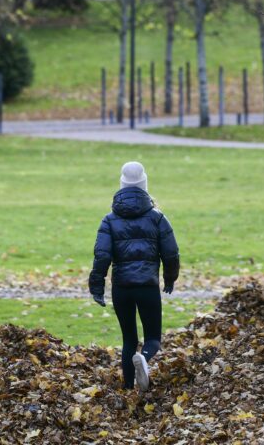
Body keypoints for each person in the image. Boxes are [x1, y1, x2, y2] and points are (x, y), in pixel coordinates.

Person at [88, 161, 180, 391]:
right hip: (147, 287)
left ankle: (128, 388)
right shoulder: (157, 218)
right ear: (144, 185)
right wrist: (170, 278)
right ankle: (144, 360)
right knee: (153, 339)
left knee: (129, 339)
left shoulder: (109, 220)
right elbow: (171, 253)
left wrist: (97, 287)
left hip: (122, 288)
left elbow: (101, 256)